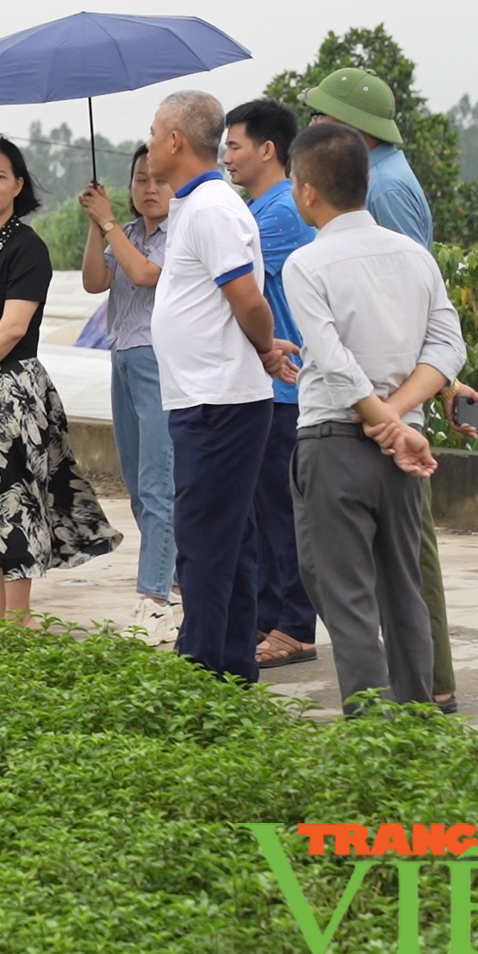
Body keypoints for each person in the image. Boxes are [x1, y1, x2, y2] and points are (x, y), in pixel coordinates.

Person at [303, 68, 477, 713]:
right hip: (389, 407)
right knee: (394, 567)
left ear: (352, 130)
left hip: (377, 413)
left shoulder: (388, 189)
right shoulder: (380, 176)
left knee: (407, 568)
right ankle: (421, 687)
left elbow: (398, 304)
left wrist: (396, 415)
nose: (312, 128)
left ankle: (431, 686)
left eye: (321, 119)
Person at [0, 137, 120, 622]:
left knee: (12, 498)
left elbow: (13, 327)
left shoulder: (26, 247)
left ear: (18, 185)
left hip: (9, 390)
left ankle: (19, 617)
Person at [146, 90, 287, 682]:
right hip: (207, 396)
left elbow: (249, 301)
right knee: (228, 538)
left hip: (220, 400)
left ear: (175, 140)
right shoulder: (194, 207)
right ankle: (230, 664)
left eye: (154, 133)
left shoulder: (210, 210)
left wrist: (263, 346)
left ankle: (201, 668)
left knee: (204, 540)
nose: (149, 144)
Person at [223, 98, 320, 670]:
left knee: (282, 515)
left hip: (285, 388)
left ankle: (294, 626)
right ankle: (266, 617)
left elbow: (234, 288)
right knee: (261, 512)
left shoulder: (278, 213)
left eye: (235, 146)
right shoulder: (261, 208)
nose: (228, 157)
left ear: (267, 150)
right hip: (267, 388)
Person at [79, 146, 177, 643]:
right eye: (141, 179)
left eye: (159, 179)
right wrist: (99, 226)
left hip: (158, 361)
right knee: (139, 486)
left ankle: (154, 598)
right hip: (122, 358)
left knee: (160, 484)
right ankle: (176, 583)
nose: (150, 188)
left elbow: (145, 276)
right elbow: (96, 281)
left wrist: (110, 222)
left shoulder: (180, 232)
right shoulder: (130, 233)